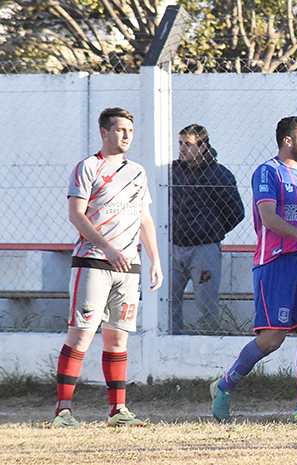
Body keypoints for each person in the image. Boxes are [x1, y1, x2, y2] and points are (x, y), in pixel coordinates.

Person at [210, 116, 297, 422]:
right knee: (272, 338)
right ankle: (224, 385)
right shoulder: (267, 171)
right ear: (288, 141)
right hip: (275, 263)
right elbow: (268, 219)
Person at [53, 107, 163, 428]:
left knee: (118, 340)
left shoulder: (138, 172)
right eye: (120, 130)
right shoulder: (88, 167)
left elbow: (144, 218)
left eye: (130, 130)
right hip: (93, 263)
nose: (127, 135)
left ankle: (118, 410)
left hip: (129, 268)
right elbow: (77, 214)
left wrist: (154, 260)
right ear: (104, 132)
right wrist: (107, 247)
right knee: (81, 336)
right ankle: (63, 412)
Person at [170, 124, 244, 334]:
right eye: (180, 143)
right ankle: (170, 342)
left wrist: (211, 231)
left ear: (202, 147)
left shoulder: (219, 175)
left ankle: (208, 342)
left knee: (206, 304)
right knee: (167, 300)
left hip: (204, 249)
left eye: (188, 144)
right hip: (173, 247)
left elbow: (236, 212)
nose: (182, 149)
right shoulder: (172, 172)